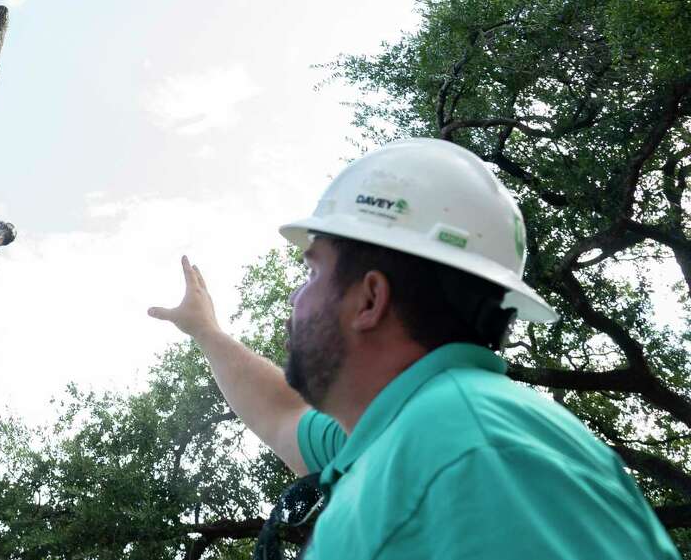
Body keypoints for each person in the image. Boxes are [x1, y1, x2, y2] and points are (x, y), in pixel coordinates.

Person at [149, 138, 680, 559]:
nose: (297, 295)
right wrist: (207, 332)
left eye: (312, 271)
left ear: (370, 299)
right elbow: (281, 415)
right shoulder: (405, 437)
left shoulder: (477, 460)